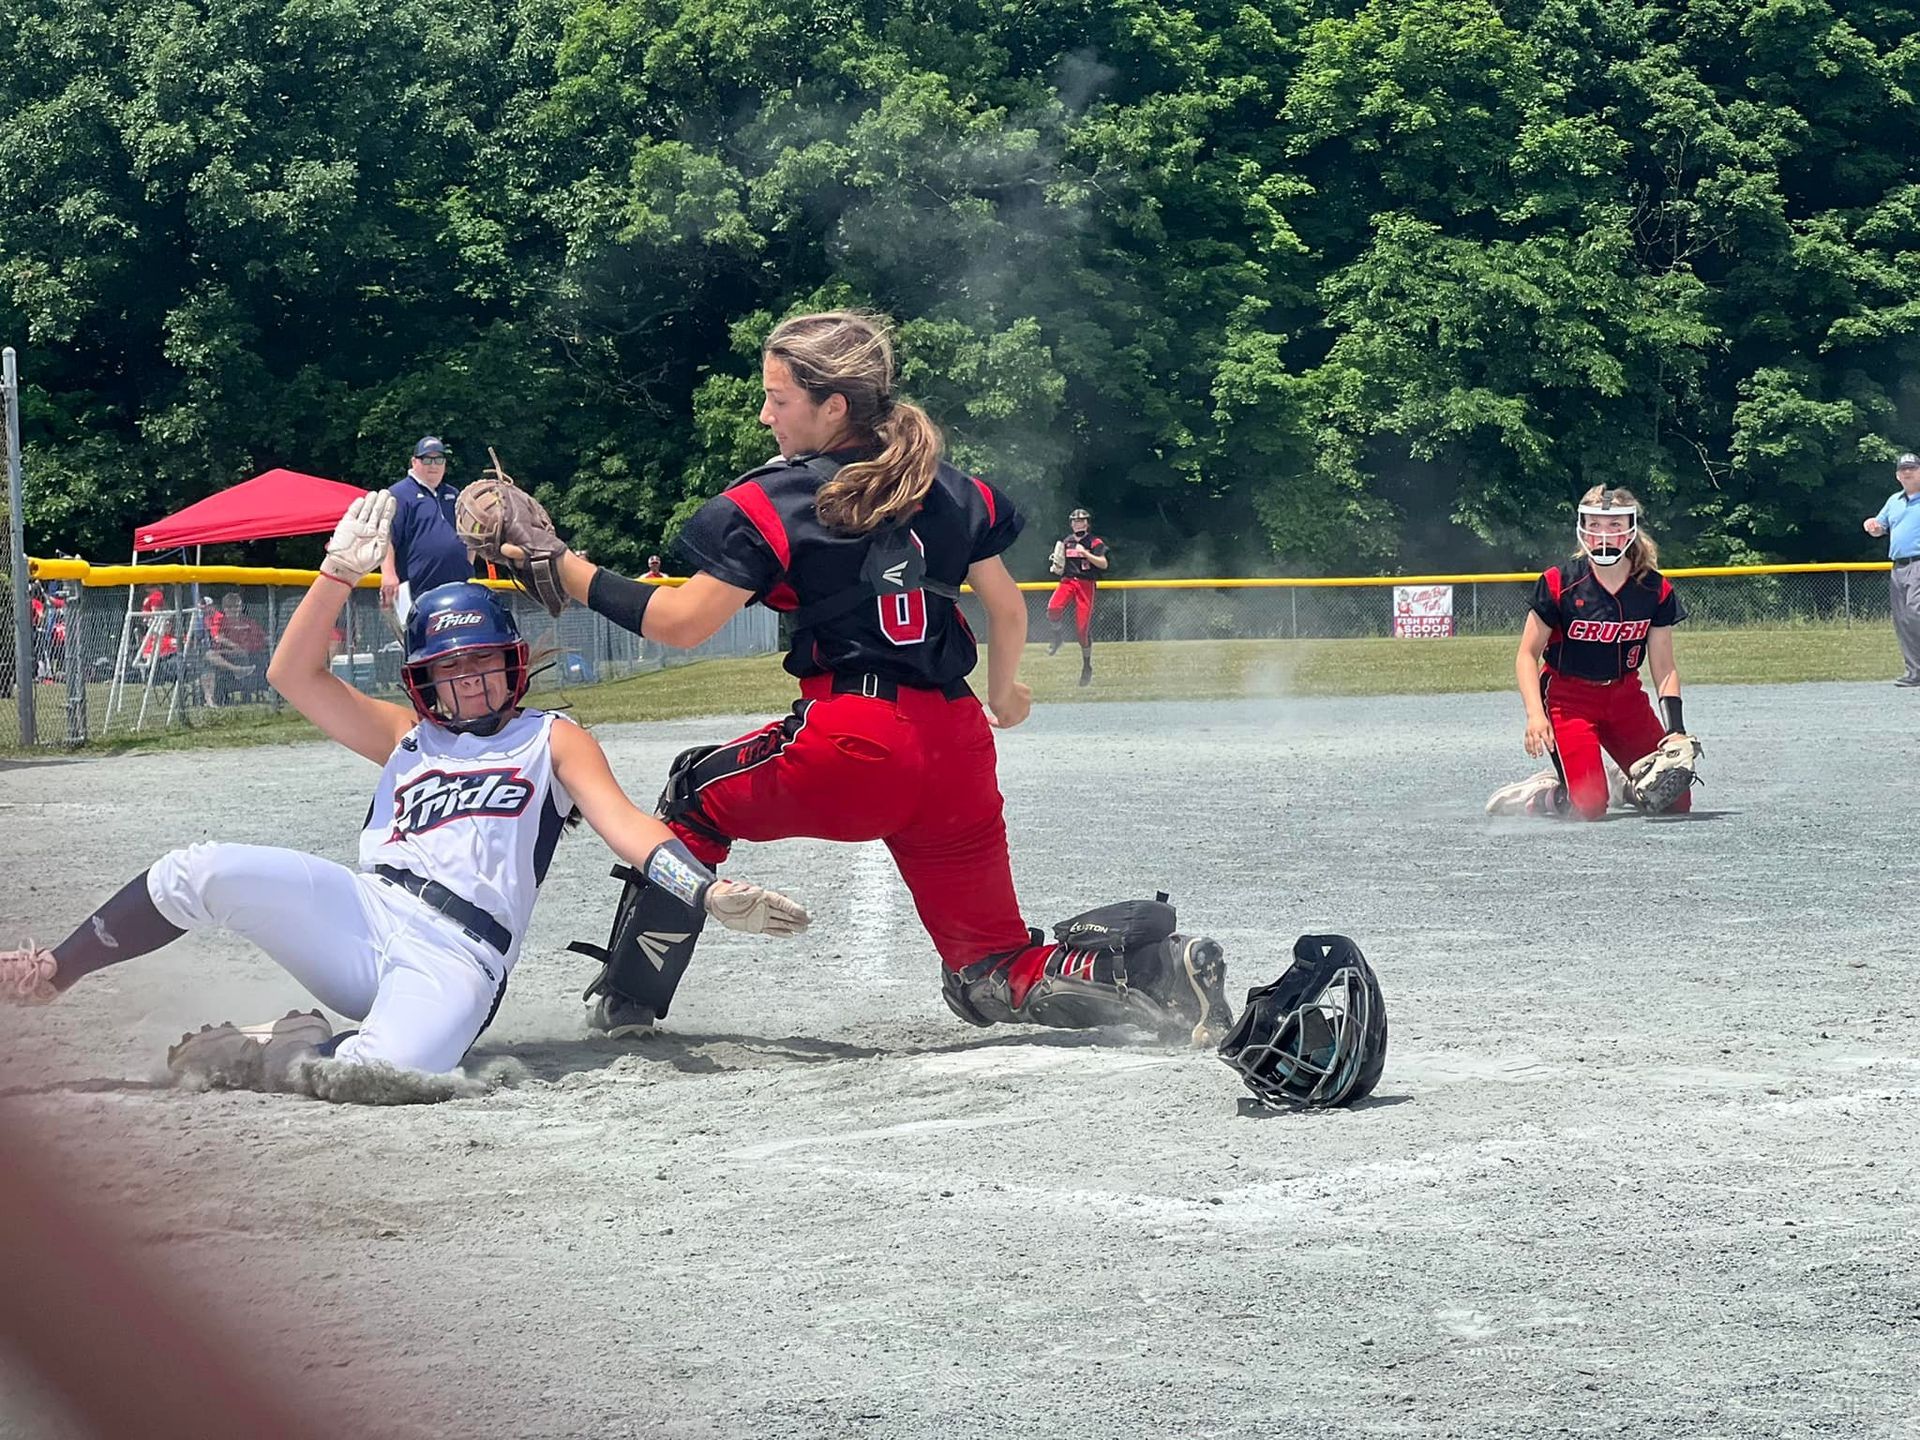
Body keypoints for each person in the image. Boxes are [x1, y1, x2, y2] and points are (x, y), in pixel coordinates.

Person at [480, 309, 1231, 1045]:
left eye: (779, 400)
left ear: (832, 406)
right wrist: (1006, 693)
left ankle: (628, 1002)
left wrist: (560, 563)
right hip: (958, 748)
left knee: (693, 795)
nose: (767, 416)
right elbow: (1007, 610)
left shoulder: (779, 497)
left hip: (855, 741)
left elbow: (682, 623)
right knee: (989, 974)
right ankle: (1152, 972)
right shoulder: (949, 487)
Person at [1, 494, 809, 1089]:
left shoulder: (550, 738)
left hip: (460, 953)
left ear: (514, 662)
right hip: (363, 912)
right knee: (197, 870)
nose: (469, 682)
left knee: (380, 1072)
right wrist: (334, 574)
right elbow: (292, 674)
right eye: (449, 670)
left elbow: (628, 827)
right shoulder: (404, 737)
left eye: (483, 663)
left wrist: (702, 891)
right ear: (422, 682)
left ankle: (284, 1042)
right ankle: (53, 972)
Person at [1513, 486, 1690, 820]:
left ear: (1630, 529)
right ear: (1582, 529)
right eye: (1594, 525)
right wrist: (1535, 714)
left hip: (1625, 697)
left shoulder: (1654, 588)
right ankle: (1546, 793)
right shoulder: (1559, 582)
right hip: (1568, 698)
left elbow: (1664, 667)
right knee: (1590, 807)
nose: (1603, 534)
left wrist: (1675, 729)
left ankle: (1625, 783)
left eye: (1613, 525)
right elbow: (1527, 654)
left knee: (1675, 800)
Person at [380, 437, 473, 622]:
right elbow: (386, 537)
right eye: (427, 459)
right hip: (416, 592)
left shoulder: (454, 495)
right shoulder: (399, 493)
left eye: (439, 460)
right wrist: (388, 575)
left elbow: (470, 535)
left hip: (457, 589)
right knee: (419, 645)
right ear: (414, 462)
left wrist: (468, 564)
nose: (434, 465)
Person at [1863, 452, 1920, 686]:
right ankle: (1915, 672)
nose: (1907, 472)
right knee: (1903, 619)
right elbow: (1880, 527)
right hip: (1898, 566)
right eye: (1903, 469)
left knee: (1916, 610)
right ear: (1898, 475)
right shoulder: (1893, 501)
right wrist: (1872, 526)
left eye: (1912, 468)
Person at [1045, 507, 1109, 686]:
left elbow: (1103, 564)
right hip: (1068, 581)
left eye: (1080, 521)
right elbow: (1061, 564)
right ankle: (1057, 637)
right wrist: (1057, 564)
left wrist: (1086, 553)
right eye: (1074, 521)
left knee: (1082, 631)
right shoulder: (1067, 541)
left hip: (1085, 584)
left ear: (1087, 523)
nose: (1077, 524)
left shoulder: (1094, 542)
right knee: (1053, 608)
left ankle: (1087, 667)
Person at [198, 593, 269, 707]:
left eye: (237, 606)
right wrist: (234, 646)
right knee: (209, 658)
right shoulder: (221, 621)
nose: (234, 610)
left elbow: (262, 638)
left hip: (247, 656)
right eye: (230, 607)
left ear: (241, 607)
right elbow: (218, 638)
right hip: (226, 656)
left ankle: (211, 699)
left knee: (210, 659)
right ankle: (211, 699)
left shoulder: (248, 622)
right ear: (224, 608)